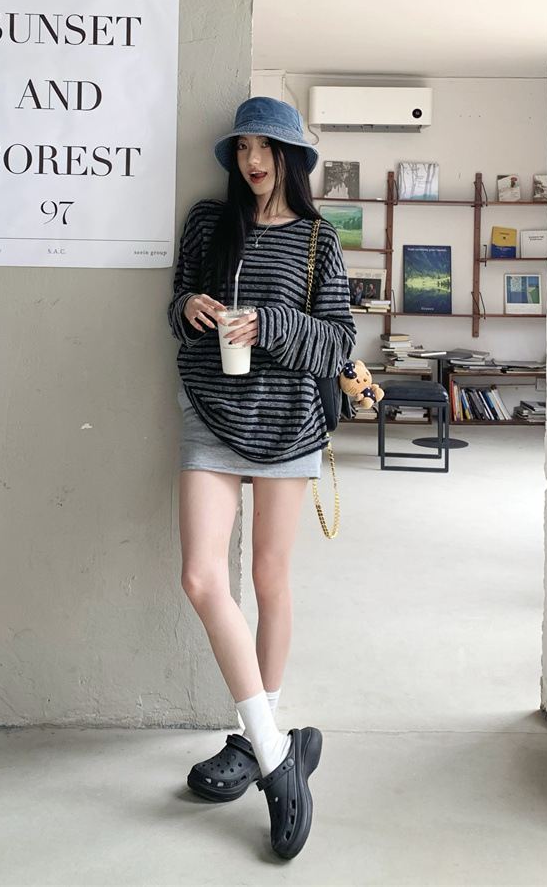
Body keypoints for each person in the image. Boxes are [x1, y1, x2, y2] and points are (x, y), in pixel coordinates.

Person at [167, 97, 356, 859]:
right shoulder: (207, 226)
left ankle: (255, 737)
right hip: (211, 413)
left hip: (287, 422)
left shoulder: (318, 239)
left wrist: (268, 323)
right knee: (200, 577)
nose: (251, 160)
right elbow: (172, 308)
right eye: (243, 147)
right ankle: (279, 757)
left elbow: (339, 343)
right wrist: (192, 307)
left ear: (291, 158)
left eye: (266, 148)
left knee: (270, 579)